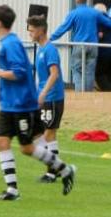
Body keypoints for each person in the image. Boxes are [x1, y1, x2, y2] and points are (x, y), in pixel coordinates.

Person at [0, 5, 76, 200]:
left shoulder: (11, 44)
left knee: (28, 147)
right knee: (2, 142)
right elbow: (22, 71)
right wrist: (1, 91)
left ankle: (64, 169)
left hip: (22, 104)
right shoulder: (8, 43)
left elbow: (19, 72)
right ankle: (12, 190)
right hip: (8, 104)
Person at [50, 0, 111, 92]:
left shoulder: (73, 13)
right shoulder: (95, 12)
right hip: (93, 46)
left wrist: (50, 38)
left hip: (79, 45)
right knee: (90, 71)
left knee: (77, 69)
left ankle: (80, 94)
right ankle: (88, 95)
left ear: (76, 0)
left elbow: (63, 28)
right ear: (86, 0)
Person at [26, 14, 65, 184]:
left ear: (41, 30)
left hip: (53, 97)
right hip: (44, 97)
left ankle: (52, 172)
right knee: (46, 134)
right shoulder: (41, 49)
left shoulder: (50, 50)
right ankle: (56, 168)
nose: (29, 34)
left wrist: (43, 93)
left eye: (32, 30)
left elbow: (54, 74)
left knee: (48, 133)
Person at [94, 2, 111, 91]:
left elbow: (99, 36)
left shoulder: (98, 21)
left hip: (103, 53)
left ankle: (110, 94)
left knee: (99, 75)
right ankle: (109, 95)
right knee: (108, 76)